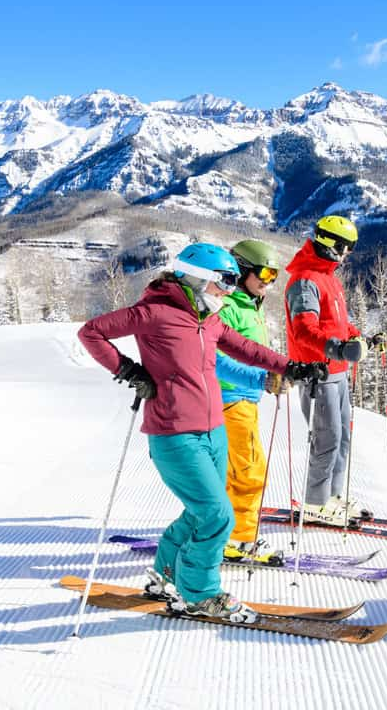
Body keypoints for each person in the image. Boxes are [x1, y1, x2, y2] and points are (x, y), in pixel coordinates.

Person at [78, 242, 325, 623]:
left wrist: (291, 367)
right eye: (223, 282)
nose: (229, 289)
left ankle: (167, 576)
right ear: (198, 278)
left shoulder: (208, 319)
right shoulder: (154, 312)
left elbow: (246, 349)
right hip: (174, 433)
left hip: (213, 429)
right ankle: (200, 594)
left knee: (201, 511)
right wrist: (128, 371)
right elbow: (91, 332)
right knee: (217, 514)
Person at [283, 215, 387, 526]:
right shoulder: (305, 281)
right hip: (318, 373)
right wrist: (339, 349)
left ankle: (332, 497)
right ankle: (316, 503)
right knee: (326, 438)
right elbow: (304, 331)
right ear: (330, 245)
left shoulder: (327, 277)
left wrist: (362, 339)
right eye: (346, 247)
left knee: (342, 437)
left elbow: (337, 326)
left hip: (338, 372)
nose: (348, 254)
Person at [213, 239, 286, 564]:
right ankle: (239, 540)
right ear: (243, 271)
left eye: (274, 276)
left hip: (244, 401)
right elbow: (212, 357)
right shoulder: (228, 308)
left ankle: (222, 533)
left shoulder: (246, 307)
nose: (269, 282)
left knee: (233, 472)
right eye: (265, 274)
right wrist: (260, 379)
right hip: (231, 400)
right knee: (249, 471)